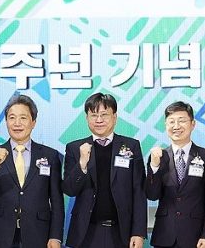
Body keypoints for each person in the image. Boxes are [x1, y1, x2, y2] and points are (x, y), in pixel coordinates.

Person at [0, 95, 64, 248]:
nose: (17, 123)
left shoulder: (50, 155)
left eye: (23, 118)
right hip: (2, 234)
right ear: (6, 121)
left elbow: (57, 200)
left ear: (33, 122)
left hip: (38, 233)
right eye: (12, 118)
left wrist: (56, 236)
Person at [62, 92, 147, 248]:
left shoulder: (131, 146)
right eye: (94, 115)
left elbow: (139, 192)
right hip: (86, 232)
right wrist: (82, 164)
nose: (99, 120)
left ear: (114, 117)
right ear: (87, 118)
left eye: (104, 115)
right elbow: (69, 189)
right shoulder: (75, 148)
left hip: (121, 232)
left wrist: (139, 232)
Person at [144, 101, 205, 248]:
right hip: (165, 235)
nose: (176, 126)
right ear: (166, 125)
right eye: (171, 122)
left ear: (193, 124)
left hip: (196, 236)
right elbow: (152, 195)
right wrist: (154, 166)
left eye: (182, 121)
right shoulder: (159, 156)